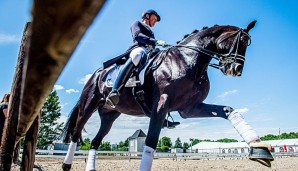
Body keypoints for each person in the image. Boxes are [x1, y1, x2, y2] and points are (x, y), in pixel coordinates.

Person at [106, 9, 167, 107]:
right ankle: (115, 91)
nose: (155, 21)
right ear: (147, 16)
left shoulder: (151, 31)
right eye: (154, 18)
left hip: (149, 54)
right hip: (139, 48)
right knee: (137, 55)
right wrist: (156, 41)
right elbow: (137, 36)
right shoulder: (137, 23)